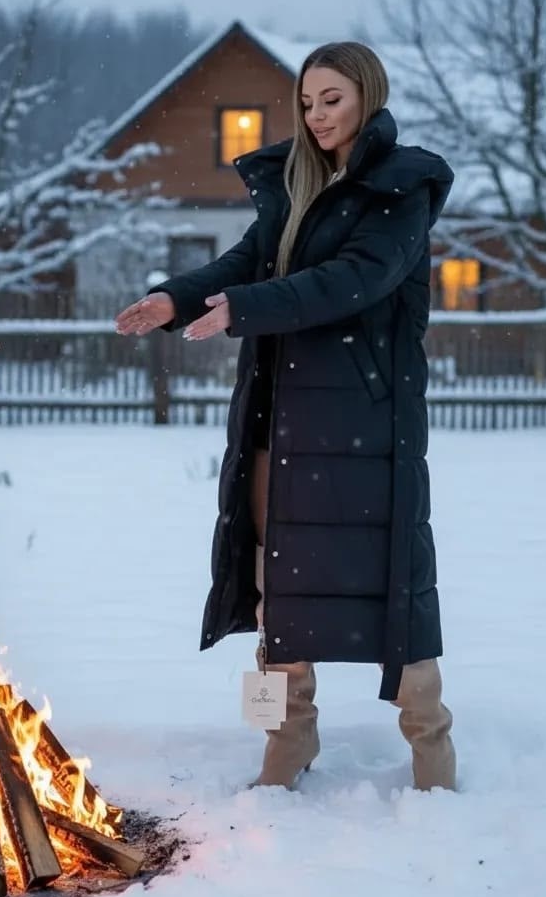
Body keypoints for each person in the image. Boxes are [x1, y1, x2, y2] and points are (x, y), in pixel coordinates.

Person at [116, 41, 456, 792]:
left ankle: (431, 751)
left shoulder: (403, 190)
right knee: (278, 585)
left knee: (392, 588)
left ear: (367, 95)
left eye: (331, 99)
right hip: (283, 425)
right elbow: (247, 264)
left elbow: (349, 282)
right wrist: (178, 298)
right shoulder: (295, 183)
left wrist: (245, 309)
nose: (317, 115)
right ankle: (287, 741)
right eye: (306, 102)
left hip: (367, 432)